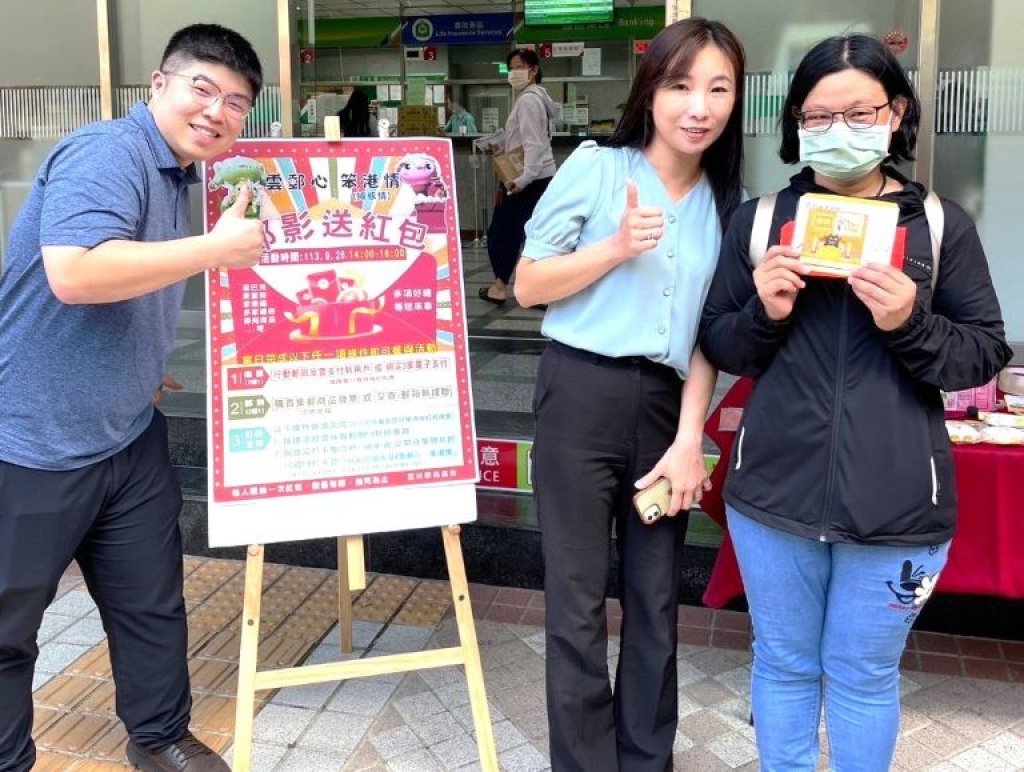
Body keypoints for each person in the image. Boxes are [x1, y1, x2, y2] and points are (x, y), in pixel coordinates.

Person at [698, 34, 1012, 772]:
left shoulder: (937, 226)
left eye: (859, 112)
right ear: (795, 124)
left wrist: (912, 323)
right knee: (782, 665)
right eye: (817, 116)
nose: (838, 131)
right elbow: (721, 344)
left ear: (896, 112)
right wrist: (764, 313)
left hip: (900, 504)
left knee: (865, 675)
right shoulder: (762, 220)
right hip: (773, 494)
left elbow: (982, 352)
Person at [0, 23, 265, 772]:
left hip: (128, 432)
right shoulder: (107, 152)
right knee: (9, 626)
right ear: (158, 86)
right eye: (202, 89)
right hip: (33, 442)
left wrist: (141, 363)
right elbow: (76, 272)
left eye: (237, 102)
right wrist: (219, 250)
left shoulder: (183, 173)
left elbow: (131, 280)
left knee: (150, 605)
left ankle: (160, 737)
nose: (217, 112)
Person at [514, 18, 746, 770]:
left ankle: (646, 760)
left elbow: (710, 337)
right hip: (579, 394)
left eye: (717, 88)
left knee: (654, 604)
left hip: (665, 414)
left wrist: (691, 441)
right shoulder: (599, 167)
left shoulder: (725, 203)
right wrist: (614, 247)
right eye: (680, 85)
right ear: (652, 92)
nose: (697, 106)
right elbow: (526, 284)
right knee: (576, 604)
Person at [479, 48, 558, 305]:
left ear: (533, 70)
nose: (513, 73)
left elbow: (533, 144)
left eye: (519, 67)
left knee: (501, 233)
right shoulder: (537, 99)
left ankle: (500, 287)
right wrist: (500, 143)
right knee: (536, 235)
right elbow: (529, 139)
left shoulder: (527, 101)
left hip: (527, 180)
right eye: (510, 68)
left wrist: (522, 180)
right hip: (542, 177)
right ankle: (541, 292)